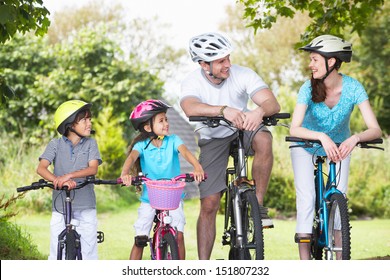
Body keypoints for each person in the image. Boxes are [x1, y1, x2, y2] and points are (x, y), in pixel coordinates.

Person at [180, 32, 281, 260]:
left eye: (228, 58)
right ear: (204, 64)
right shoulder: (192, 81)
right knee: (209, 204)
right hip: (212, 137)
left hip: (243, 128)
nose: (228, 64)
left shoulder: (243, 74)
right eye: (220, 61)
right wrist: (223, 110)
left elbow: (272, 102)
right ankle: (203, 266)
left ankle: (258, 205)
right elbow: (189, 107)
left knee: (265, 138)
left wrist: (259, 111)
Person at [289, 35, 382, 260]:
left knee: (339, 196)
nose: (310, 64)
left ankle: (341, 263)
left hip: (341, 147)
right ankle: (305, 264)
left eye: (314, 60)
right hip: (305, 145)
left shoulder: (353, 88)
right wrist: (321, 136)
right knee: (307, 198)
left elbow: (375, 129)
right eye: (310, 60)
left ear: (331, 62)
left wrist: (355, 138)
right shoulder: (307, 88)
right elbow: (294, 128)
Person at [120, 99, 205, 260]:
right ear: (147, 127)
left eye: (166, 119)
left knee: (179, 236)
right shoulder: (142, 145)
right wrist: (125, 174)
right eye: (161, 120)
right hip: (149, 198)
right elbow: (131, 158)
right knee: (140, 238)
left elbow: (186, 153)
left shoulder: (173, 140)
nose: (166, 123)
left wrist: (197, 167)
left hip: (173, 197)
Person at [37, 100, 102, 260]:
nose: (90, 123)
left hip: (86, 204)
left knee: (89, 252)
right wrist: (58, 180)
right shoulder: (55, 144)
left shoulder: (90, 144)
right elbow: (41, 168)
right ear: (70, 124)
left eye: (90, 119)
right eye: (85, 119)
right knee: (56, 251)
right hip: (60, 206)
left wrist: (69, 176)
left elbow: (93, 168)